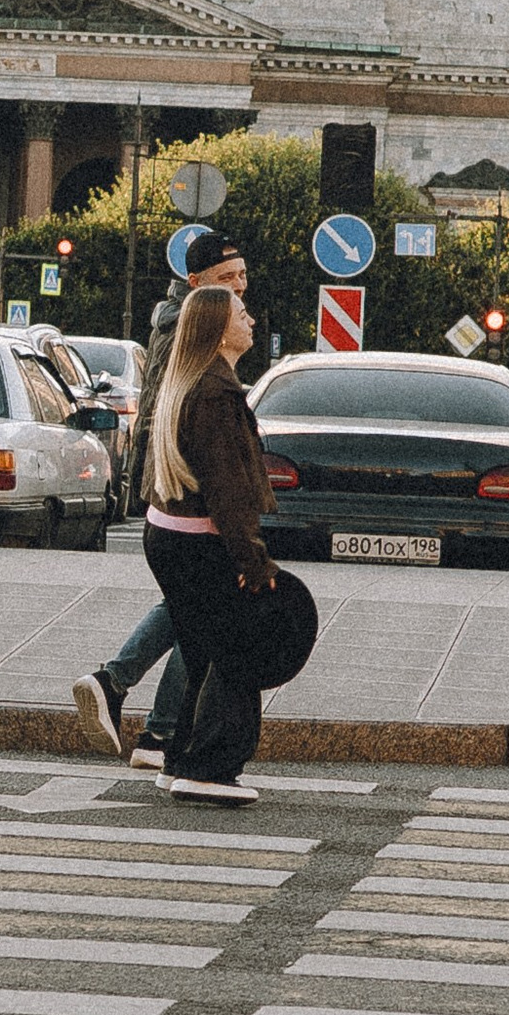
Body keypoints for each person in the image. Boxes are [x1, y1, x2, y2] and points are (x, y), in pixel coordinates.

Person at [135, 275, 313, 804]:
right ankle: (210, 769)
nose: (251, 319)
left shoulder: (192, 381)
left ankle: (179, 760)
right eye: (240, 315)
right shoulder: (216, 393)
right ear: (218, 331)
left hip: (169, 537)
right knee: (238, 652)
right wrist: (254, 564)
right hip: (203, 543)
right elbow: (228, 492)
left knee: (200, 650)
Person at [73, 233, 247, 770]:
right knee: (198, 617)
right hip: (185, 498)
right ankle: (136, 706)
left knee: (187, 612)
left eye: (242, 276)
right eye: (227, 279)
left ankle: (148, 724)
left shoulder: (185, 322)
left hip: (174, 499)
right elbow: (184, 422)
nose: (239, 288)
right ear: (196, 285)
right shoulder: (189, 328)